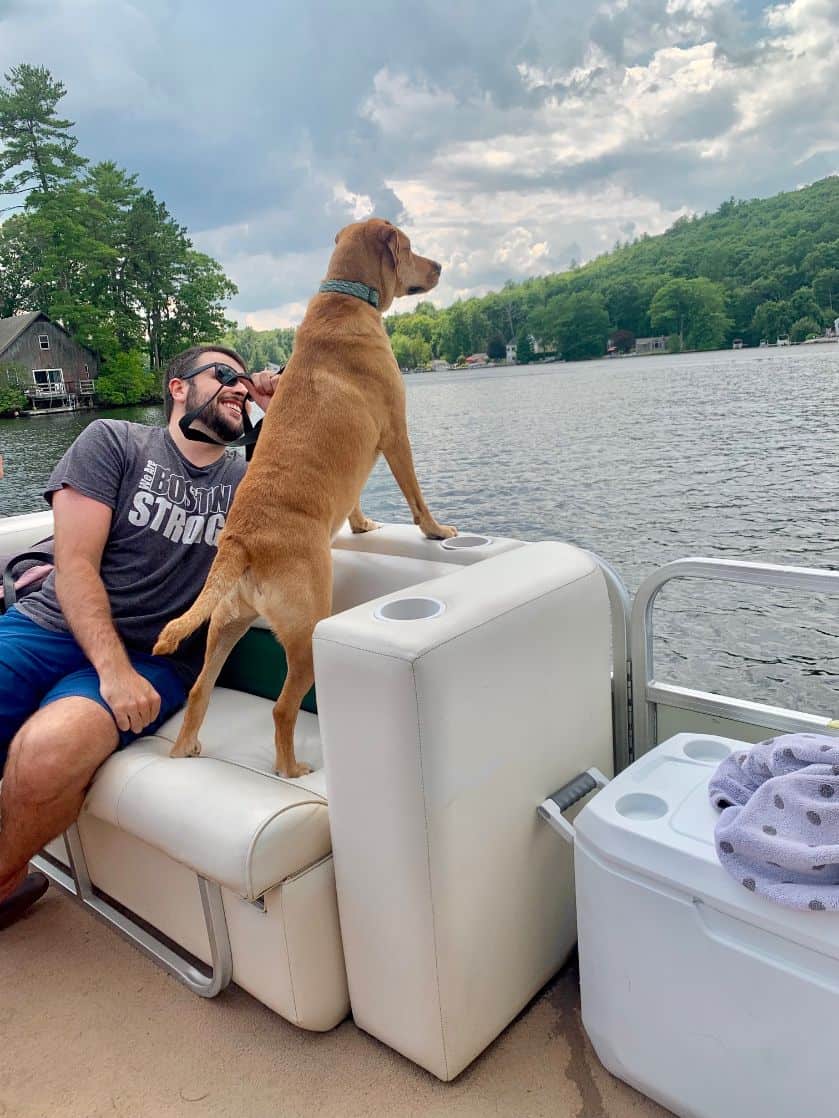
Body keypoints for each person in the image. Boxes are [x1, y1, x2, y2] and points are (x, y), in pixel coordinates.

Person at [0, 345, 280, 930]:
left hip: (157, 658)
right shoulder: (115, 442)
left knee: (50, 751)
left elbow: (312, 495)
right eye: (222, 375)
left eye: (244, 383)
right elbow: (74, 564)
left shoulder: (249, 485)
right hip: (51, 626)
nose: (237, 387)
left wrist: (279, 415)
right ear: (178, 388)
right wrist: (110, 670)